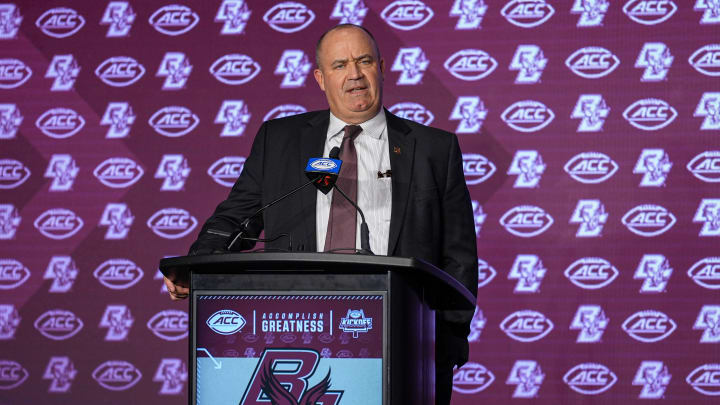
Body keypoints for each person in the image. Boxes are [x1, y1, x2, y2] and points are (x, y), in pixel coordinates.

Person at [164, 23, 477, 405]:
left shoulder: (433, 149)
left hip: (403, 344)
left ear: (381, 66)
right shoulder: (279, 141)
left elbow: (459, 257)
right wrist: (195, 267)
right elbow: (237, 218)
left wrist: (444, 343)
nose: (354, 75)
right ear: (320, 78)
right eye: (340, 65)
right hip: (295, 332)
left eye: (364, 61)